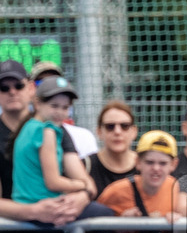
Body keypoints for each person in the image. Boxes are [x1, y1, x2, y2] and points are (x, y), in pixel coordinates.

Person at [9, 76, 113, 223]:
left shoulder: (27, 128)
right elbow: (53, 182)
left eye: (65, 107)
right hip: (45, 207)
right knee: (106, 214)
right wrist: (82, 185)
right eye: (54, 106)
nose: (60, 112)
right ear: (37, 104)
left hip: (26, 204)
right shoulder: (48, 131)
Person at [97, 130, 182, 233]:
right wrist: (120, 224)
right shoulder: (116, 191)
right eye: (149, 162)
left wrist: (176, 220)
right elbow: (93, 226)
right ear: (137, 162)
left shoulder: (174, 187)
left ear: (174, 164)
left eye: (163, 163)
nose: (156, 168)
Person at [86, 101, 139, 195]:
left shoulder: (147, 166)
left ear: (134, 131)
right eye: (110, 126)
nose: (117, 132)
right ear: (99, 132)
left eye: (124, 126)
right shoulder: (85, 167)